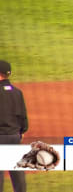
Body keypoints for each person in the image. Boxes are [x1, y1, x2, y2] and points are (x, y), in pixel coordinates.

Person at [0, 60, 28, 192]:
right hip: (14, 136)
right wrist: (21, 131)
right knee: (17, 172)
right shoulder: (17, 92)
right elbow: (23, 116)